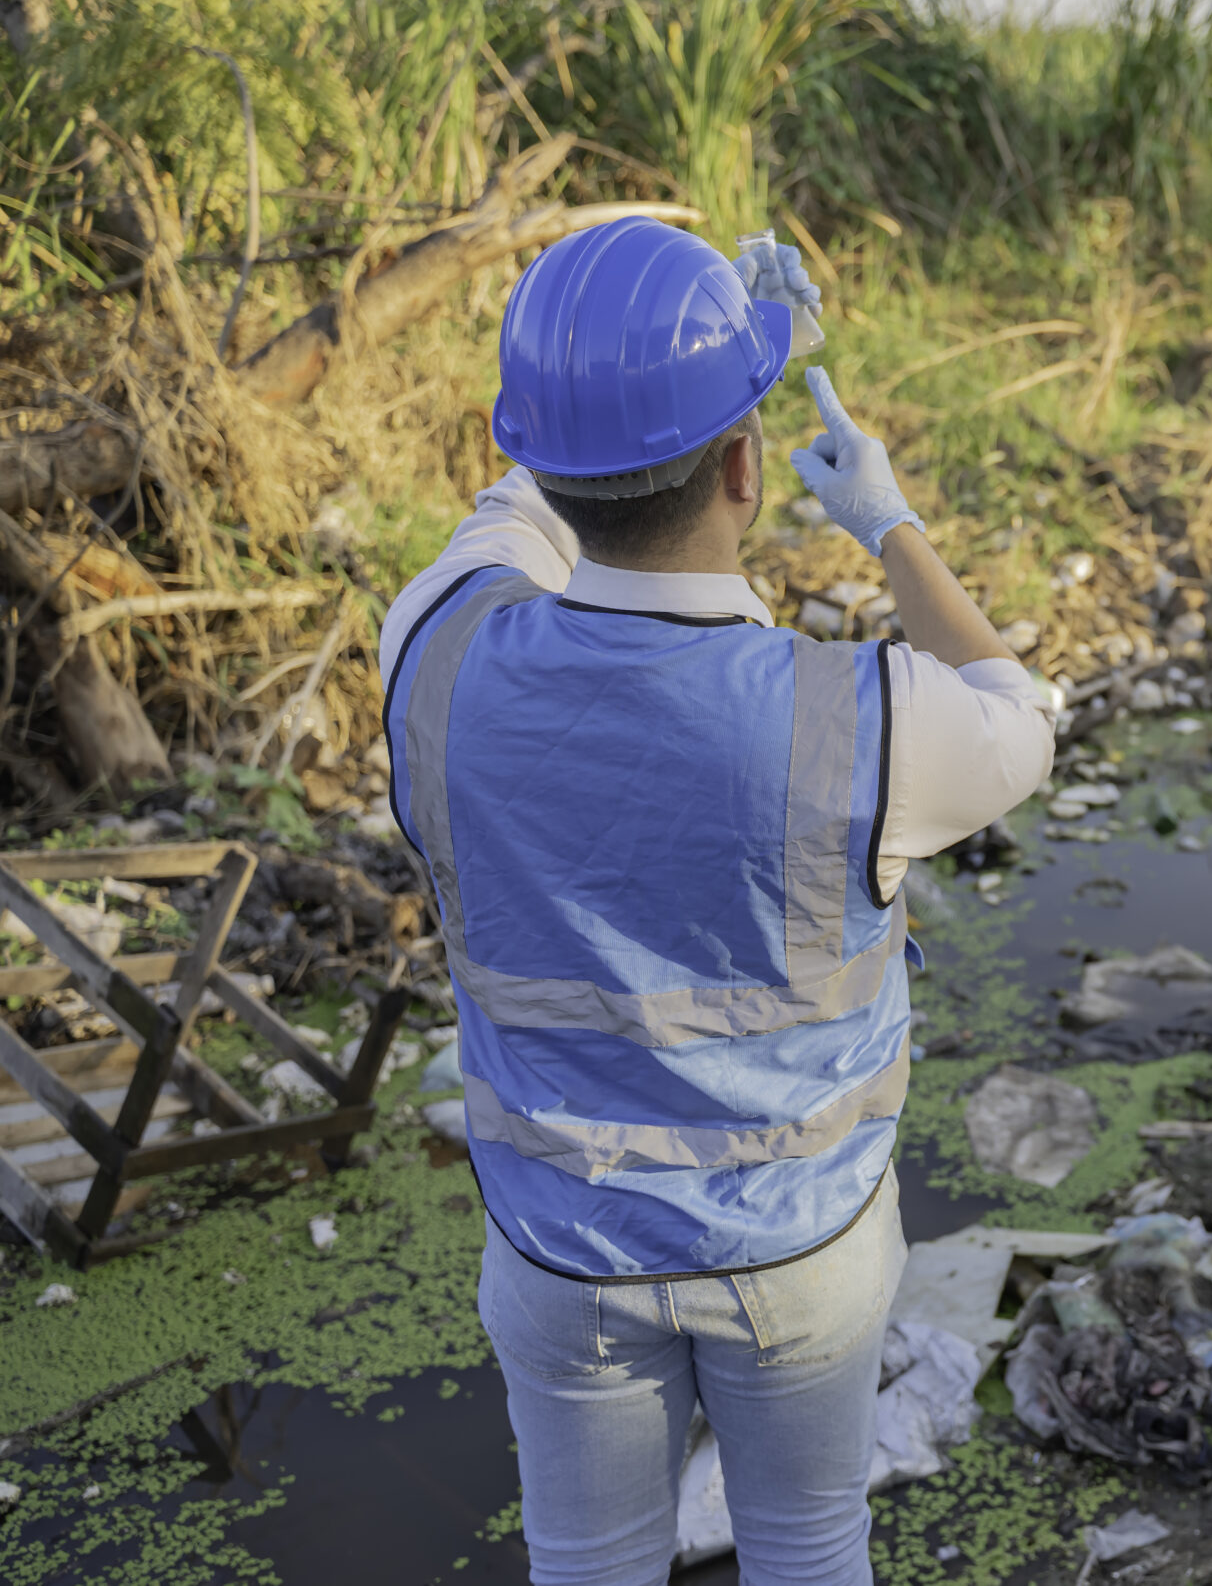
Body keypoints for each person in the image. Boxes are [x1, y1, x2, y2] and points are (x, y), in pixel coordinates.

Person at [377, 217, 1053, 1585]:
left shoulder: (432, 651)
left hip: (561, 1253)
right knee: (808, 1544)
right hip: (803, 1246)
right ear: (749, 467)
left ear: (549, 460)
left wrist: (637, 385)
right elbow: (1021, 713)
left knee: (588, 1563)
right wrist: (889, 522)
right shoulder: (860, 718)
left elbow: (522, 503)